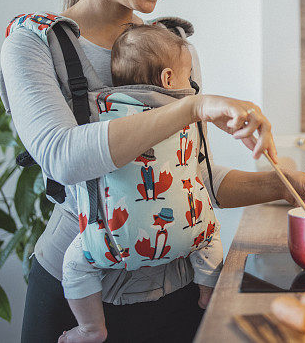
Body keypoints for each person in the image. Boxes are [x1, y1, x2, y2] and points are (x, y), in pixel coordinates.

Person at [0, 0, 305, 342]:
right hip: (75, 297)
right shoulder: (34, 43)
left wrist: (287, 183)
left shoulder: (173, 48)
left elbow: (186, 179)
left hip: (178, 296)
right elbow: (62, 157)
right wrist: (190, 106)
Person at [59, 23, 224, 343]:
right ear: (167, 79)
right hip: (188, 232)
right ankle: (207, 294)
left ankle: (91, 329)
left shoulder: (98, 114)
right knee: (211, 236)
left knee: (75, 266)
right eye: (186, 74)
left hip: (113, 240)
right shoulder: (186, 113)